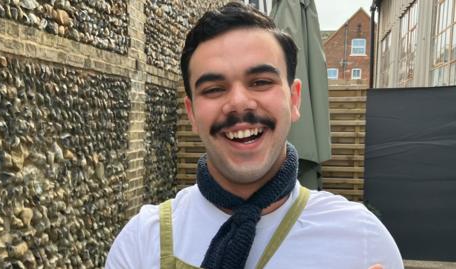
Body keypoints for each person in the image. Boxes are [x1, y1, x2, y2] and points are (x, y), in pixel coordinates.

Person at [105, 2, 404, 269]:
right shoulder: (142, 243)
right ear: (192, 113)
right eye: (213, 89)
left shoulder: (361, 240)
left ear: (295, 100)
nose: (238, 103)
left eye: (260, 82)